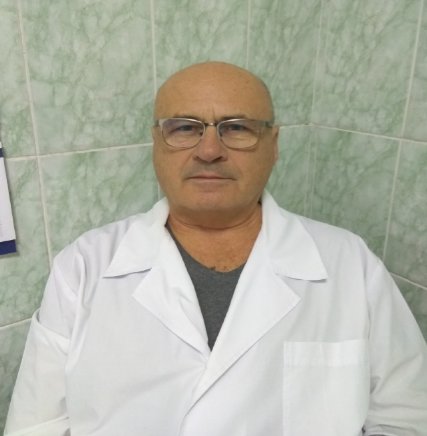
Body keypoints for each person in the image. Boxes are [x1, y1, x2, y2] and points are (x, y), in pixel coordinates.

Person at [5, 61, 427, 436]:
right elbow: (36, 425)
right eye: (184, 128)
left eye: (237, 128)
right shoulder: (84, 267)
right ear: (156, 144)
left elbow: (408, 415)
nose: (209, 151)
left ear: (274, 145)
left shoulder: (350, 264)